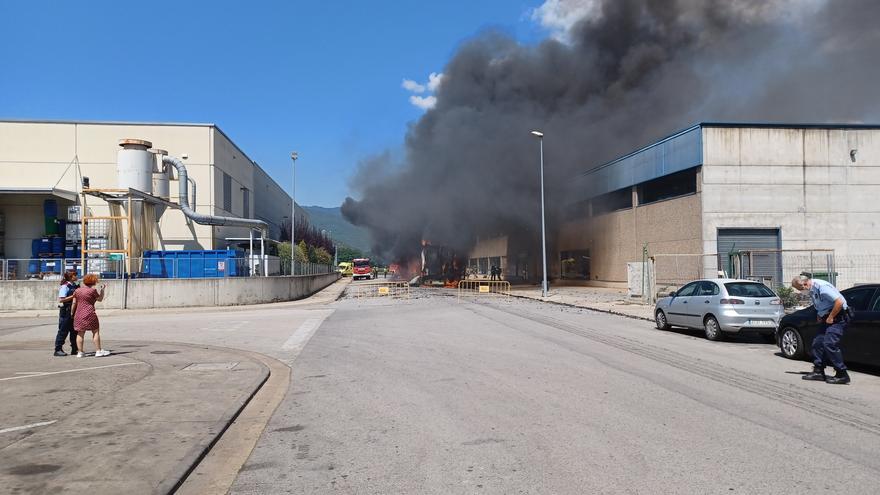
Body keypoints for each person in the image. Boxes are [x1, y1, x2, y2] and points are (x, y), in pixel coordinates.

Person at [792, 275, 851, 384]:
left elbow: (839, 302)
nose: (800, 292)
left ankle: (842, 373)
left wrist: (831, 317)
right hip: (827, 316)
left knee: (829, 343)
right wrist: (820, 314)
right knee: (818, 343)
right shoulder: (812, 288)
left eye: (800, 289)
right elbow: (822, 303)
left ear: (804, 284)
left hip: (838, 317)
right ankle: (818, 371)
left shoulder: (822, 287)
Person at [71, 273, 110, 358]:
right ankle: (98, 351)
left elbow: (74, 302)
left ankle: (80, 352)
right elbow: (99, 299)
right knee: (95, 332)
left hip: (79, 314)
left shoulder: (77, 291)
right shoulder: (92, 291)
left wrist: (72, 313)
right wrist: (102, 290)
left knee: (80, 333)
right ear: (93, 282)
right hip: (90, 313)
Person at [53, 270, 79, 356]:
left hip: (75, 309)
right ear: (71, 277)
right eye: (75, 275)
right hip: (66, 310)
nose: (77, 276)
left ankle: (74, 349)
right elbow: (61, 299)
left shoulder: (75, 285)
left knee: (74, 330)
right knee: (63, 330)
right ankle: (58, 349)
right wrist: (73, 296)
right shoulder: (65, 286)